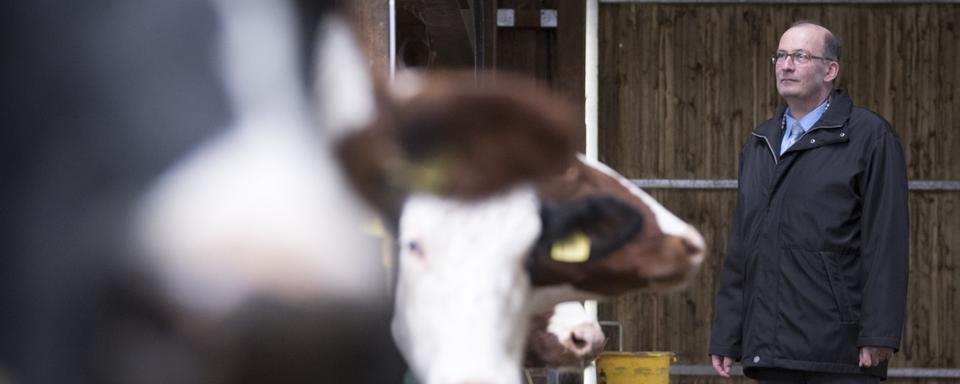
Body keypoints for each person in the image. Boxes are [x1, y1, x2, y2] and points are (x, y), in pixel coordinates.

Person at [708, 21, 909, 383]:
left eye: (800, 56)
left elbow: (886, 240)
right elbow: (742, 246)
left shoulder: (869, 137)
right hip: (770, 353)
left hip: (839, 353)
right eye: (781, 56)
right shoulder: (760, 143)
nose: (785, 65)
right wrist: (727, 333)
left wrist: (880, 332)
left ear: (830, 70)